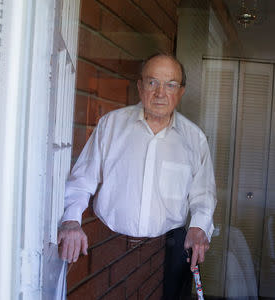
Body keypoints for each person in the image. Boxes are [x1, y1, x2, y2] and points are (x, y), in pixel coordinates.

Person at [58, 53, 217, 299]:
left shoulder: (194, 140)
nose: (160, 93)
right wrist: (71, 221)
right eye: (152, 82)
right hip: (106, 245)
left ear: (181, 91)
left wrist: (198, 227)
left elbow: (203, 194)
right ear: (140, 86)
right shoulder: (110, 125)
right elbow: (81, 182)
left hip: (168, 249)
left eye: (170, 85)